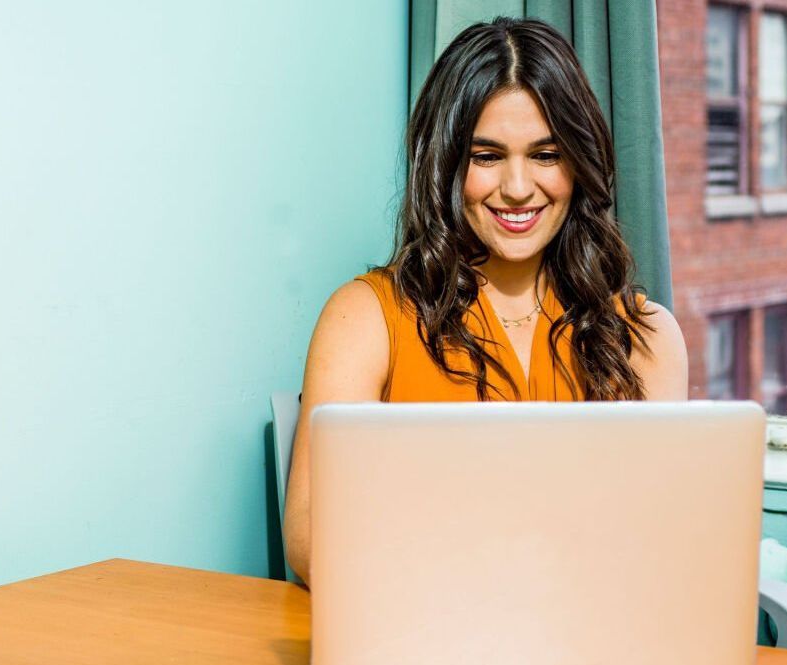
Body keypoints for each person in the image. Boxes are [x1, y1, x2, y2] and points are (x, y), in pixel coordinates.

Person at [281, 17, 689, 584]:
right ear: (447, 164)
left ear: (579, 162)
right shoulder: (364, 318)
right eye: (486, 156)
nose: (518, 188)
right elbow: (309, 542)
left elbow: (661, 544)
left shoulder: (647, 335)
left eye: (546, 155)